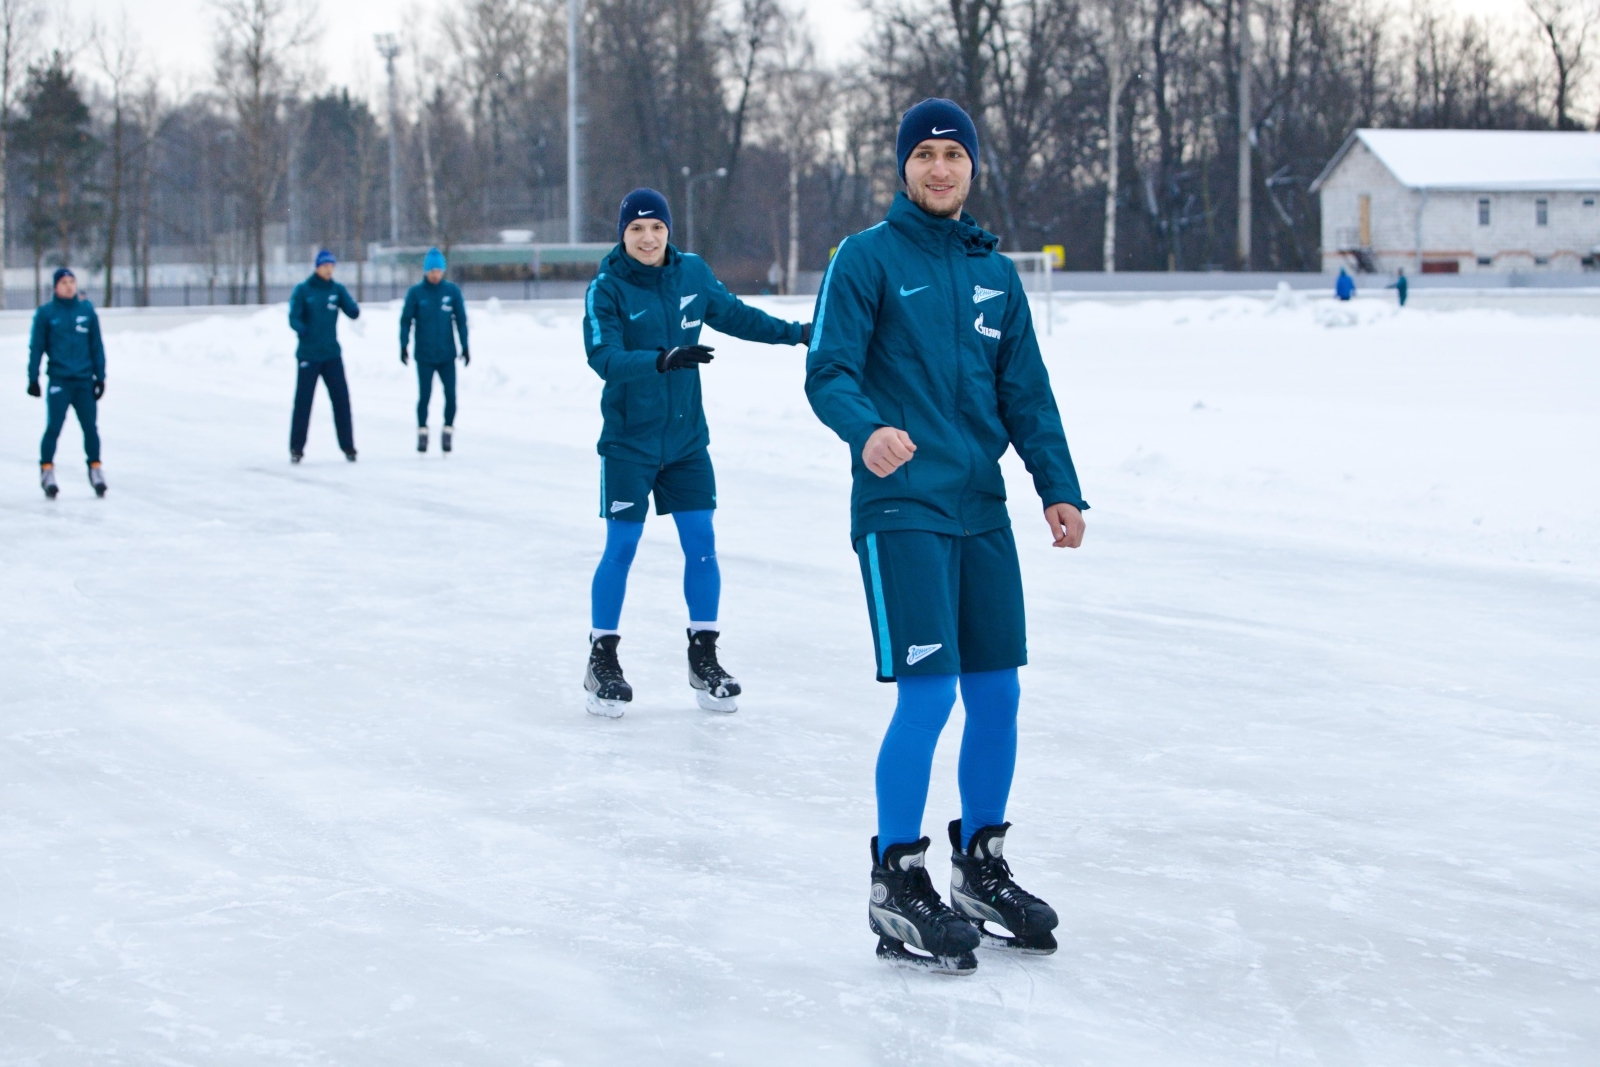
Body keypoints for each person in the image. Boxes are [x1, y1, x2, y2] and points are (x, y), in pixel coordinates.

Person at [804, 98, 1088, 975]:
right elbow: (828, 370)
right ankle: (897, 876)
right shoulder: (866, 259)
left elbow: (1027, 397)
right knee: (929, 696)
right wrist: (865, 429)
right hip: (900, 510)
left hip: (980, 507)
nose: (938, 169)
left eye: (952, 155)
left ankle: (980, 866)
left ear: (972, 169)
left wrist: (1058, 488)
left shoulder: (997, 275)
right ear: (902, 167)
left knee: (997, 695)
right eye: (923, 154)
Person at [580, 188, 811, 718]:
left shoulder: (692, 274)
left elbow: (737, 316)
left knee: (702, 544)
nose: (647, 238)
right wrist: (661, 360)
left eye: (656, 228)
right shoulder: (606, 288)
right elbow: (604, 356)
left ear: (668, 231)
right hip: (628, 444)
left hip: (685, 443)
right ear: (622, 234)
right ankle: (602, 658)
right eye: (636, 229)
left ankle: (703, 654)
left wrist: (797, 334)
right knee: (623, 546)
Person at [27, 267, 107, 498]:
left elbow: (96, 346)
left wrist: (100, 377)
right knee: (54, 427)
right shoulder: (46, 314)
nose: (69, 286)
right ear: (55, 287)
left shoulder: (87, 312)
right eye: (64, 282)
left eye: (72, 281)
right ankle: (47, 470)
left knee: (90, 428)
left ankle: (95, 468)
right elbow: (37, 348)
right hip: (60, 381)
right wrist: (33, 378)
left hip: (84, 381)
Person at [288, 249, 361, 463]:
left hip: (331, 355)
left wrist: (353, 309)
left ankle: (348, 446)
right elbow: (293, 317)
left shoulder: (336, 290)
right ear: (317, 267)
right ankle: (297, 448)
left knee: (341, 401)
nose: (329, 270)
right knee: (303, 402)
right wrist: (302, 329)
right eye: (325, 266)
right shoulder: (304, 290)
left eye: (332, 266)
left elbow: (351, 310)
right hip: (309, 356)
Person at [400, 247, 469, 453]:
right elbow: (405, 321)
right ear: (425, 271)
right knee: (425, 395)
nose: (435, 275)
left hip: (447, 354)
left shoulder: (452, 292)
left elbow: (461, 321)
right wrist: (403, 344)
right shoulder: (416, 293)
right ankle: (422, 431)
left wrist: (465, 346)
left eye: (439, 270)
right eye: (432, 271)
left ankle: (448, 430)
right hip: (425, 355)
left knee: (451, 395)